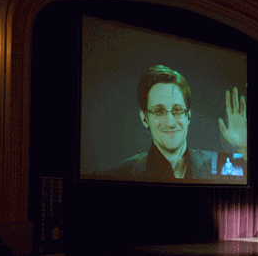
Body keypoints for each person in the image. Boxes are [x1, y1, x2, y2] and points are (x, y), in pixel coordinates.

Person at [97, 65, 247, 180]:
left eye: (178, 110)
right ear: (144, 118)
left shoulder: (217, 164)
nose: (170, 122)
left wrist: (242, 148)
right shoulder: (120, 173)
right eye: (159, 111)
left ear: (188, 115)